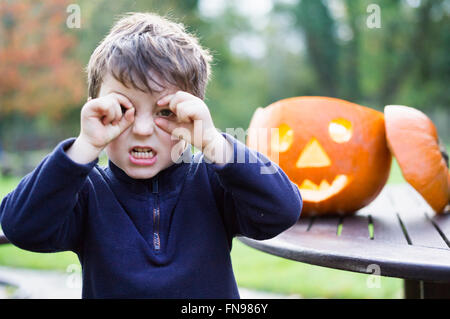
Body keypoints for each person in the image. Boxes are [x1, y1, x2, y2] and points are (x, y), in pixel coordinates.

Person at [0, 12, 302, 298]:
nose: (143, 129)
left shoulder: (212, 182)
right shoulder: (86, 193)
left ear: (193, 114)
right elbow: (21, 227)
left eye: (166, 111)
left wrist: (214, 144)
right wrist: (83, 147)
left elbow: (282, 210)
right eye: (122, 109)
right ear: (96, 111)